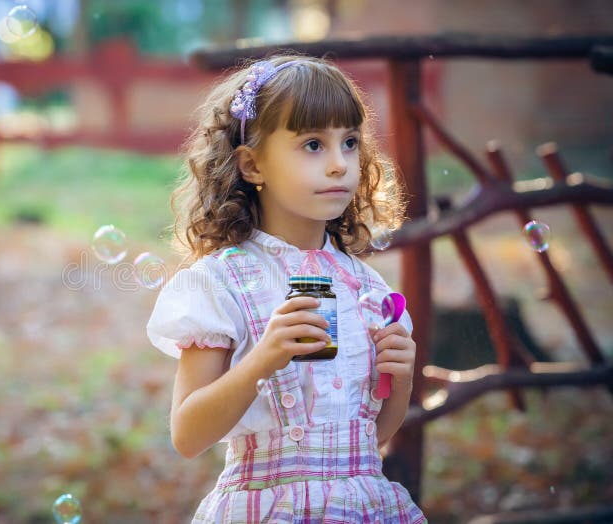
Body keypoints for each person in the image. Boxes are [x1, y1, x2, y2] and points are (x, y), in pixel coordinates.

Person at [147, 55, 426, 523]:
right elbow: (188, 434)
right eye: (313, 144)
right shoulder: (219, 284)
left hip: (363, 507)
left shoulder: (366, 288)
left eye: (350, 142)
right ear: (253, 165)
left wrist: (401, 380)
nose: (339, 165)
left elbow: (371, 437)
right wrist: (263, 358)